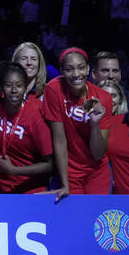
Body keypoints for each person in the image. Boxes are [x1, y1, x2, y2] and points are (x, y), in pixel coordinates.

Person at [44, 47, 114, 197]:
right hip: (68, 171)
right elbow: (59, 139)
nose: (76, 74)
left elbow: (98, 154)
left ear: (88, 69)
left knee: (93, 218)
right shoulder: (54, 89)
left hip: (96, 172)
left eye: (81, 68)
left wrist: (94, 124)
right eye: (69, 69)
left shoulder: (103, 98)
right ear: (61, 71)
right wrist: (65, 184)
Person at [0, 61, 53, 194]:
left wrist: (14, 170)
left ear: (25, 87)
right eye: (8, 85)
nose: (13, 90)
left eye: (19, 85)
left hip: (28, 189)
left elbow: (50, 164)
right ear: (1, 88)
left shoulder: (35, 116)